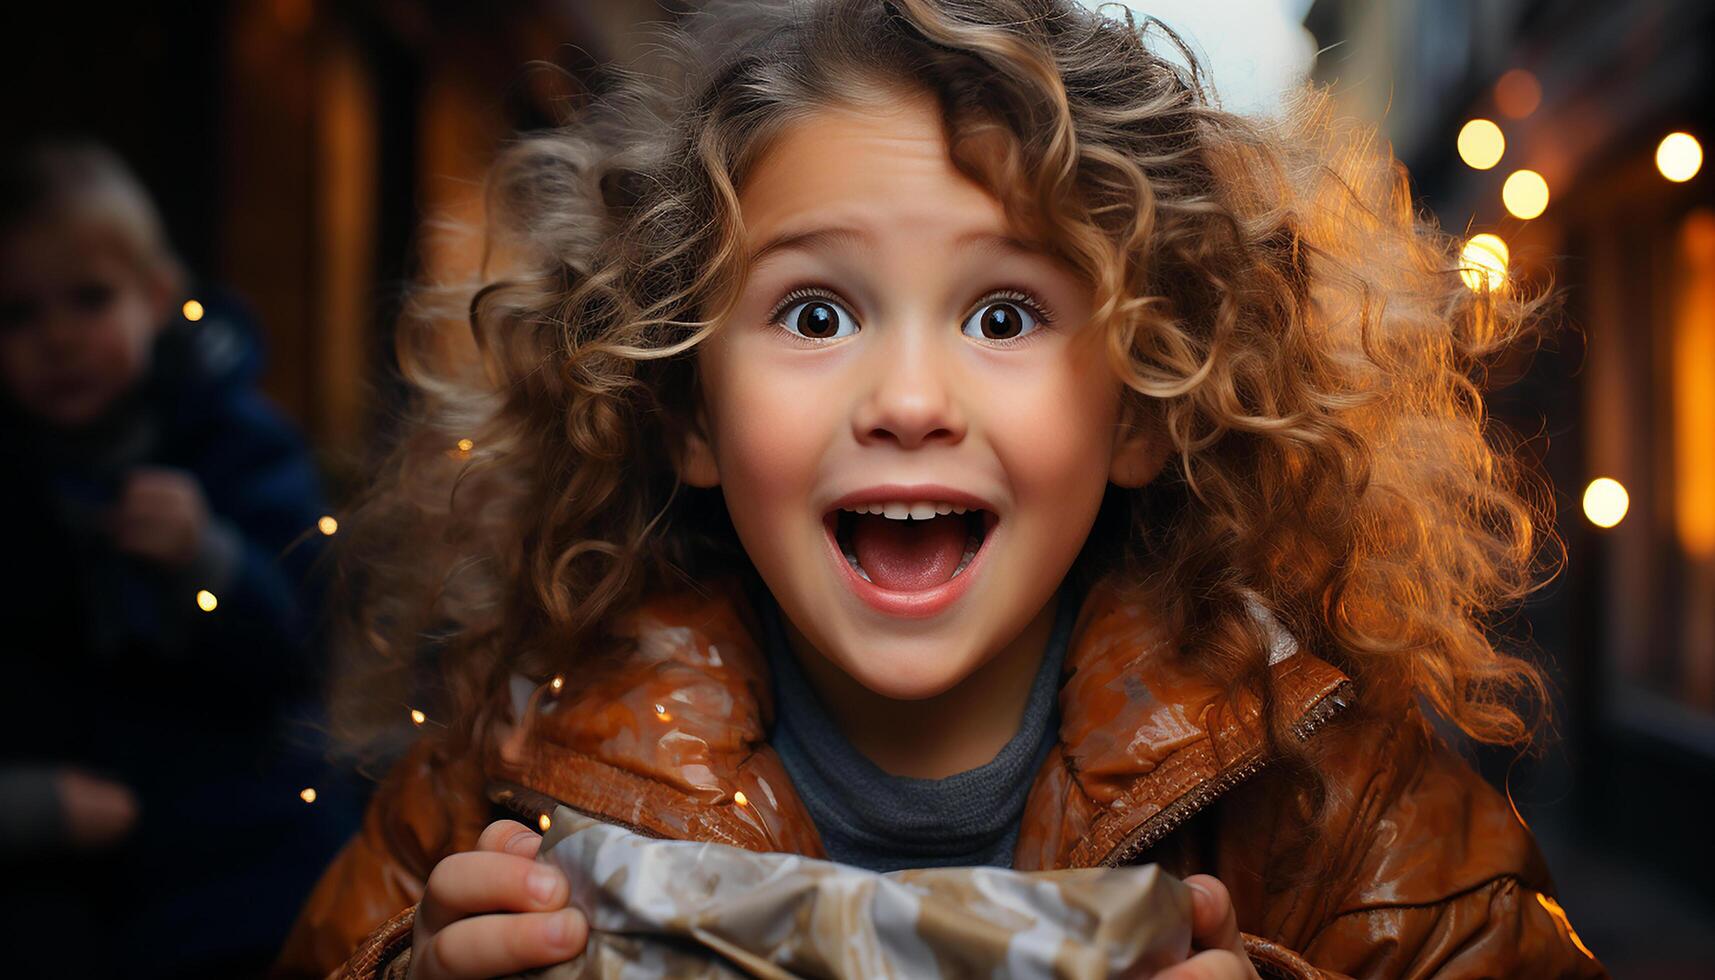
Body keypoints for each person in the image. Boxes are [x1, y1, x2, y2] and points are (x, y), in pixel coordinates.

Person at [275, 1, 1606, 977]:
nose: (907, 401)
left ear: (1142, 403)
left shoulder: (1337, 811)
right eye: (810, 316)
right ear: (685, 408)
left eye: (1003, 315)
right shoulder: (506, 785)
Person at [0, 140, 355, 977]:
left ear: (158, 299)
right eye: (17, 314)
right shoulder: (19, 477)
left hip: (247, 860)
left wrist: (211, 563)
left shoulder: (233, 443)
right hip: (82, 883)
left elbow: (308, 643)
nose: (57, 338)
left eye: (89, 299)